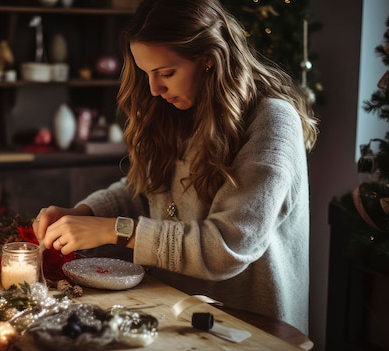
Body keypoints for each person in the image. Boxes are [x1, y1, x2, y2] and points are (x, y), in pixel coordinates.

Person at [32, 0, 318, 334]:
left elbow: (227, 247)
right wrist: (84, 211)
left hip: (247, 329)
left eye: (166, 73)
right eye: (147, 73)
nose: (154, 89)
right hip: (170, 315)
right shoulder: (181, 109)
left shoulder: (272, 120)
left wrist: (117, 230)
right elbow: (146, 189)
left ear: (209, 60)